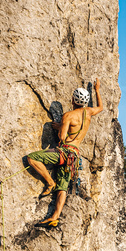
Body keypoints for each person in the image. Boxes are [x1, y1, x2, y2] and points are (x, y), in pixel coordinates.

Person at [24, 79, 104, 228]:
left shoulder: (68, 116)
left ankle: (49, 182)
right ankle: (55, 217)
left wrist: (60, 126)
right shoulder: (89, 113)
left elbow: (62, 137)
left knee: (32, 158)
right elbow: (100, 107)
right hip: (74, 157)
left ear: (73, 99)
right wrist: (97, 90)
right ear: (85, 103)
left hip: (64, 152)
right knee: (63, 187)